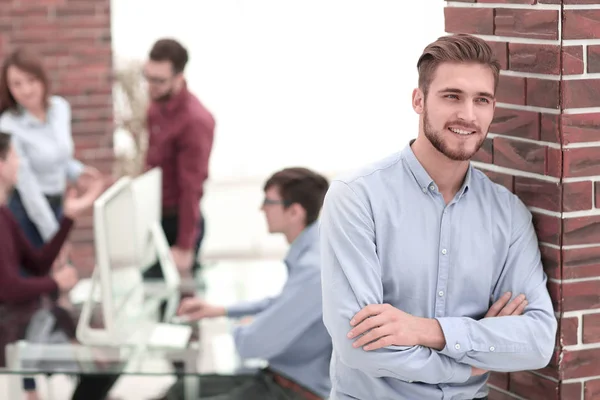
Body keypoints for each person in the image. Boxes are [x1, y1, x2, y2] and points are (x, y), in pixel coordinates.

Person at [319, 34, 558, 400]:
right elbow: (358, 344)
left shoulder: (507, 214)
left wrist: (429, 330)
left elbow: (538, 341)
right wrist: (474, 360)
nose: (468, 114)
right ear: (419, 100)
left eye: (482, 100)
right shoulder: (356, 197)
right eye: (452, 96)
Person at [161, 167, 332, 400]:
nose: (261, 208)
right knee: (179, 391)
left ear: (294, 212)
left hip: (294, 391)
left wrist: (246, 324)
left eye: (269, 201)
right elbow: (282, 303)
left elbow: (251, 345)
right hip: (277, 377)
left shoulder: (314, 270)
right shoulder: (311, 251)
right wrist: (221, 311)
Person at [0, 47, 103, 400]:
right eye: (16, 84)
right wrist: (56, 240)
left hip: (58, 205)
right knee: (29, 301)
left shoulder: (60, 108)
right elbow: (27, 190)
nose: (25, 90)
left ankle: (66, 366)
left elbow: (61, 158)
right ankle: (29, 388)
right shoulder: (9, 126)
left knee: (52, 297)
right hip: (28, 212)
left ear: (42, 80)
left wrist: (78, 172)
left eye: (30, 81)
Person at [0, 131, 119, 400]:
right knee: (102, 367)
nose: (19, 163)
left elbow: (38, 263)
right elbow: (7, 288)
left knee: (104, 358)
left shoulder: (5, 215)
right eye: (15, 157)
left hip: (26, 319)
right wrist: (57, 282)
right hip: (11, 331)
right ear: (1, 163)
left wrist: (68, 217)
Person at [142, 38, 215, 280]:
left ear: (179, 77)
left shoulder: (195, 121)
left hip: (180, 223)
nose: (150, 86)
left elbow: (191, 188)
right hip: (156, 217)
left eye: (159, 81)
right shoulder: (157, 106)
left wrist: (185, 247)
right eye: (148, 77)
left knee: (181, 306)